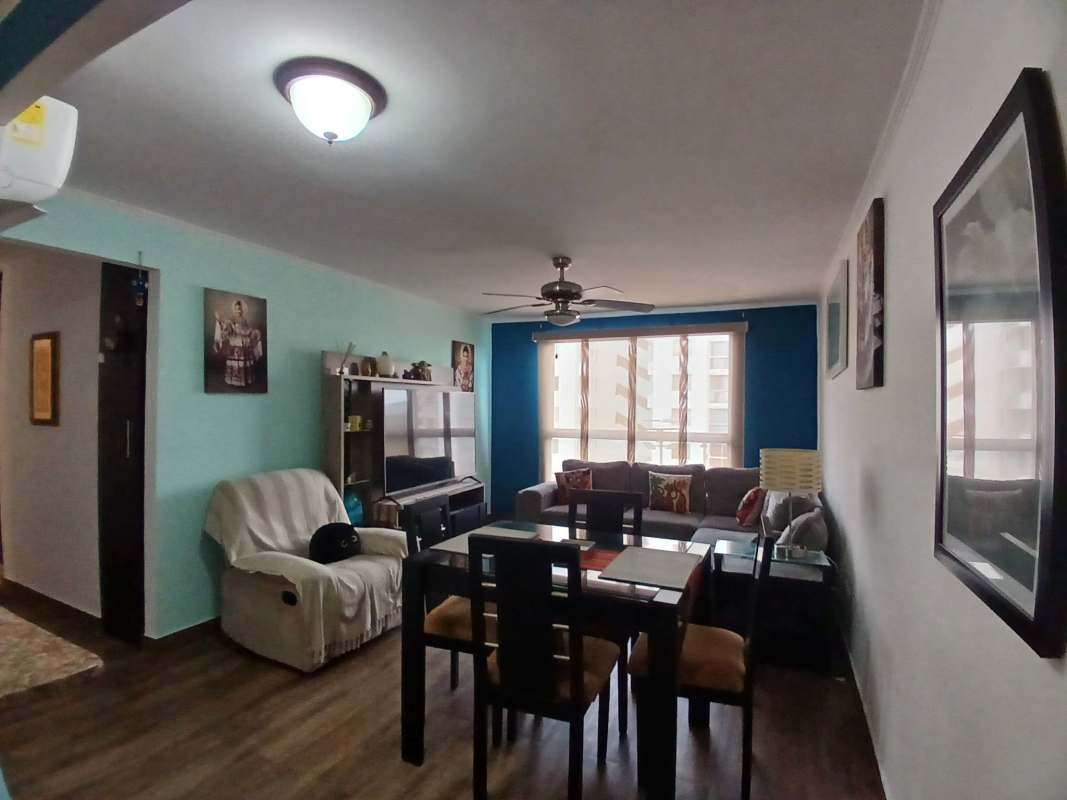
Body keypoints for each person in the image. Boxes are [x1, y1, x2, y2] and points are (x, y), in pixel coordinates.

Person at [213, 299, 263, 388]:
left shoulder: (244, 319)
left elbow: (247, 330)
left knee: (247, 344)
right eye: (236, 309)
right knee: (237, 355)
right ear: (234, 309)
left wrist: (254, 332)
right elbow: (226, 329)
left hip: (244, 342)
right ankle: (235, 379)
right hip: (235, 341)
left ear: (242, 309)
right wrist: (219, 320)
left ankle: (245, 378)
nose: (238, 311)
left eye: (240, 309)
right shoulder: (231, 319)